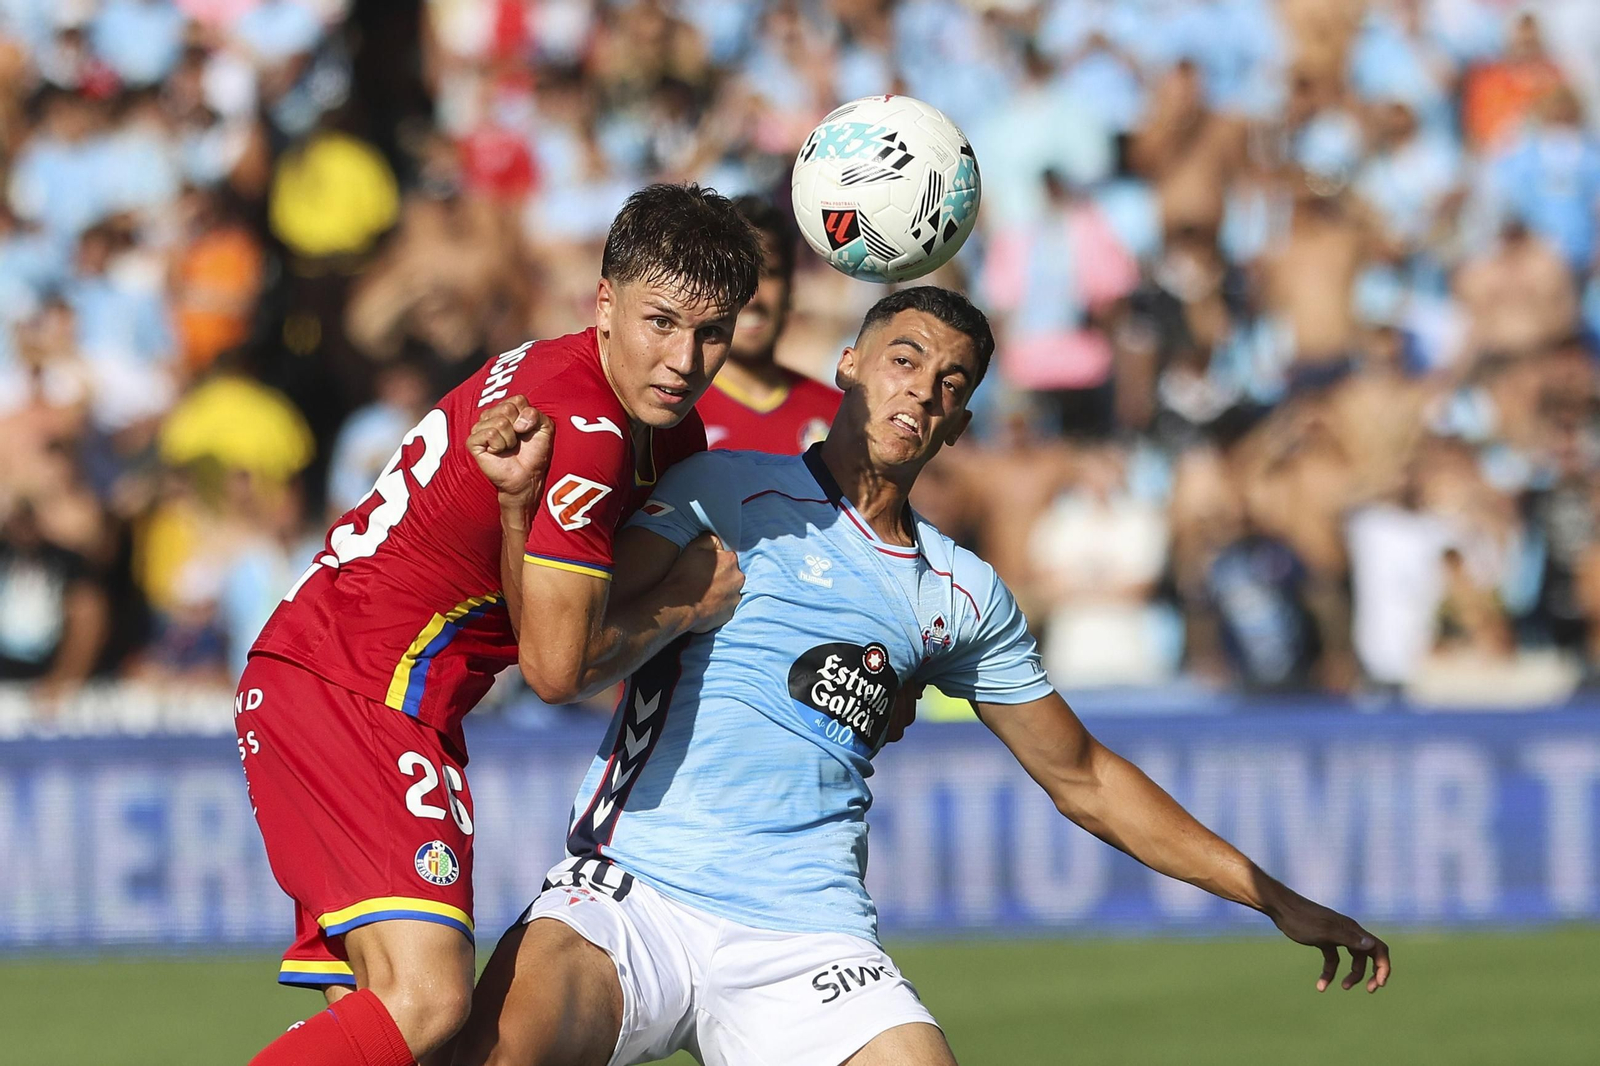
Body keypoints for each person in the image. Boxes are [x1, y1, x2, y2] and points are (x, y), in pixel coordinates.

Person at [455, 287, 1391, 1066]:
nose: (923, 393)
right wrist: (522, 513)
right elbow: (569, 654)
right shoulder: (722, 488)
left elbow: (1086, 779)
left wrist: (1271, 894)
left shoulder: (961, 595)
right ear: (850, 364)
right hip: (634, 889)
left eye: (951, 383)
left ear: (963, 421)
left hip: (806, 931)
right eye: (904, 360)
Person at [234, 182, 761, 1066]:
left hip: (341, 675)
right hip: (358, 687)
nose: (683, 358)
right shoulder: (586, 426)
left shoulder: (648, 424)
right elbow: (556, 668)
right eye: (660, 322)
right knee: (429, 1002)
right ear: (604, 305)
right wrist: (689, 603)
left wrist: (523, 520)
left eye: (712, 333)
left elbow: (568, 609)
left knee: (413, 1045)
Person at [693, 194, 841, 454]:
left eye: (769, 274)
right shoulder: (670, 413)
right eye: (736, 276)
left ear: (791, 288)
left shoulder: (840, 418)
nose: (753, 299)